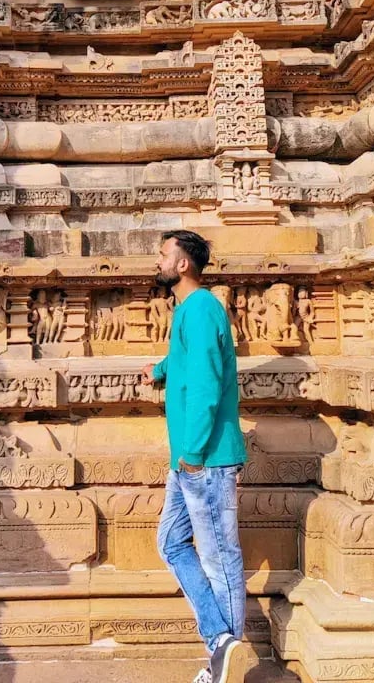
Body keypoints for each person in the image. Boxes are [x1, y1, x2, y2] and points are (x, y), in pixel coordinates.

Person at [142, 229, 247, 683]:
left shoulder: (202, 308)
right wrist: (159, 370)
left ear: (183, 263)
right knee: (171, 543)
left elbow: (206, 383)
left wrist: (192, 454)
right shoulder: (188, 310)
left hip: (205, 459)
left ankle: (227, 662)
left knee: (220, 558)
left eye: (164, 253)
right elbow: (187, 361)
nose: (158, 260)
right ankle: (223, 643)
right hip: (189, 461)